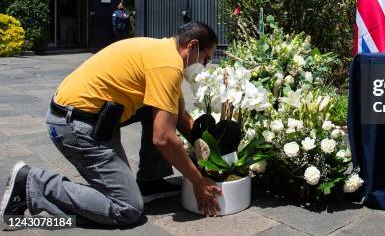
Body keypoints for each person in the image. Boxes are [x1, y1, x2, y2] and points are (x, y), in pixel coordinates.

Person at [0, 22, 222, 226]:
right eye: (206, 59)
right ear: (192, 46)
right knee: (128, 208)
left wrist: (212, 151)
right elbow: (163, 138)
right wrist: (197, 181)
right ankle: (34, 183)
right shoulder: (168, 66)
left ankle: (150, 180)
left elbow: (180, 117)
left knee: (160, 111)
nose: (204, 65)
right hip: (75, 125)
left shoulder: (162, 50)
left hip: (82, 113)